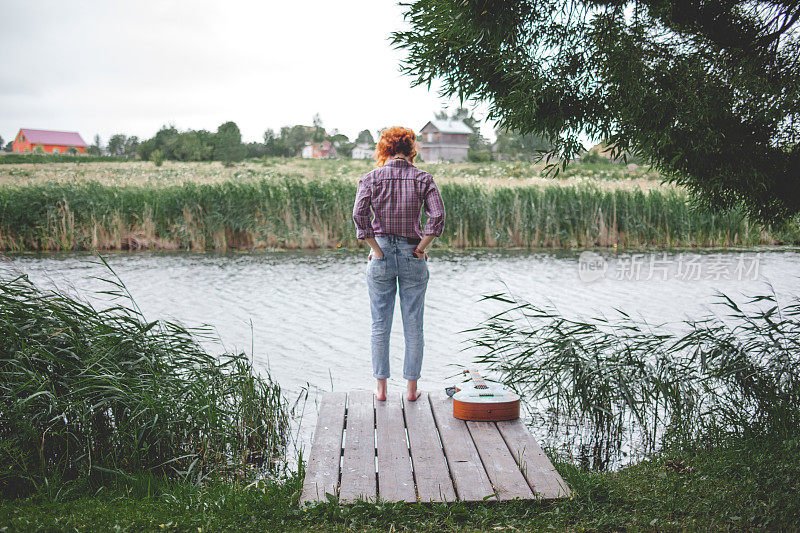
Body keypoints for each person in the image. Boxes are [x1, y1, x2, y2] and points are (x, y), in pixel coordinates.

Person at [352, 126, 445, 402]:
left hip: (380, 254)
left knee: (380, 324)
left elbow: (359, 215)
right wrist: (421, 248)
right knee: (414, 324)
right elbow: (437, 216)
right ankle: (411, 390)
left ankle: (380, 390)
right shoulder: (423, 178)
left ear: (385, 148)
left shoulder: (371, 178)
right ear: (411, 148)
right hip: (411, 254)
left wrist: (376, 250)